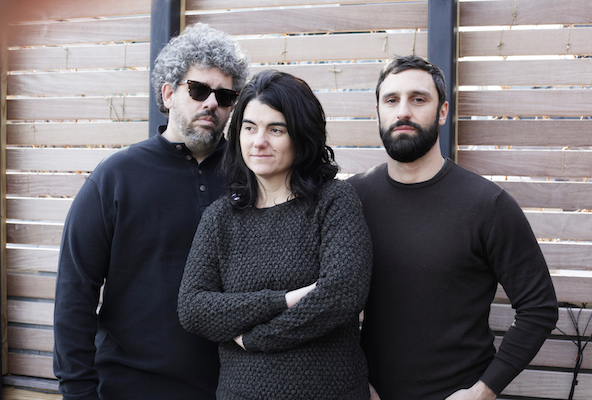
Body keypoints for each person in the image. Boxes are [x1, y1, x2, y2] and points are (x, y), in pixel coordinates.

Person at [53, 23, 249, 400]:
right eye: (198, 89)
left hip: (233, 387)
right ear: (168, 92)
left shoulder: (251, 176)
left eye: (225, 96)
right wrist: (78, 392)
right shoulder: (115, 178)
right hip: (130, 386)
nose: (211, 103)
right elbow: (75, 293)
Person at [348, 55, 558, 400]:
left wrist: (483, 391)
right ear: (378, 113)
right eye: (391, 100)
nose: (403, 111)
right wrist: (356, 380)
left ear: (442, 112)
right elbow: (330, 304)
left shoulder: (487, 205)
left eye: (418, 99)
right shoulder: (352, 199)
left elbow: (539, 307)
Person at [177, 69, 373, 400]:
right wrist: (284, 299)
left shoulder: (334, 201)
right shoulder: (221, 218)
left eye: (276, 129)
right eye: (249, 128)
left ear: (301, 135)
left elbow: (341, 294)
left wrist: (256, 338)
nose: (259, 141)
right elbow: (193, 308)